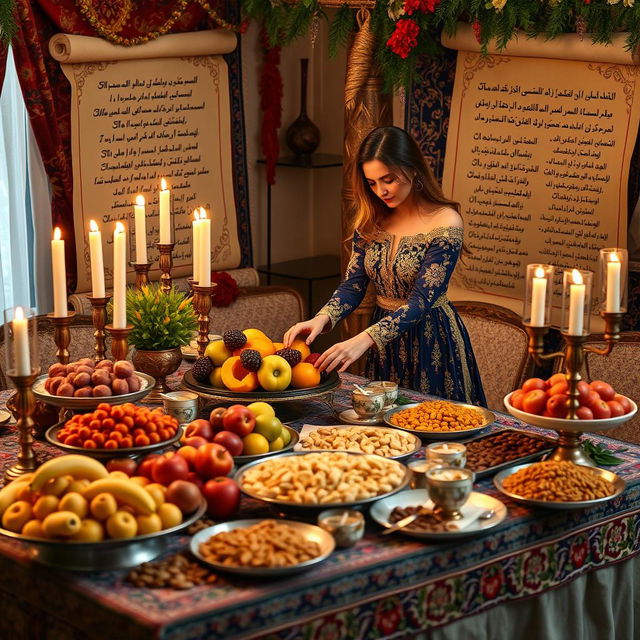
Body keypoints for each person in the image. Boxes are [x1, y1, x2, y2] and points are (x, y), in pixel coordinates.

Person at [284, 126, 486, 405]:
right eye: (372, 183)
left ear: (413, 169)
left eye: (388, 179)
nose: (381, 191)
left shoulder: (445, 222)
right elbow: (353, 285)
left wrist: (364, 339)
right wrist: (322, 318)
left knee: (436, 425)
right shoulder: (371, 220)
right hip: (384, 343)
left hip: (431, 341)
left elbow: (420, 302)